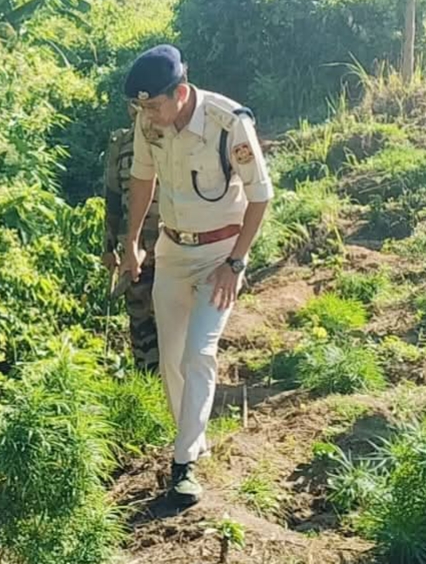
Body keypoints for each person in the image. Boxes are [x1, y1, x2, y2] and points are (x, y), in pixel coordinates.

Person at [120, 45, 273, 506]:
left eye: (154, 105)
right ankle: (194, 436)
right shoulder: (149, 122)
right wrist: (132, 241)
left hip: (219, 256)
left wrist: (236, 264)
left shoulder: (229, 124)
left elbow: (261, 196)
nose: (148, 115)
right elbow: (143, 178)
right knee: (171, 360)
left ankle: (183, 464)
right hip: (172, 251)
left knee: (198, 353)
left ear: (181, 93)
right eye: (142, 108)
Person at [102, 105, 162, 372]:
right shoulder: (121, 143)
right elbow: (113, 198)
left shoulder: (174, 137)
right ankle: (146, 381)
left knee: (171, 316)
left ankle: (175, 382)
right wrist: (109, 247)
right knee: (139, 318)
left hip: (172, 244)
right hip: (134, 249)